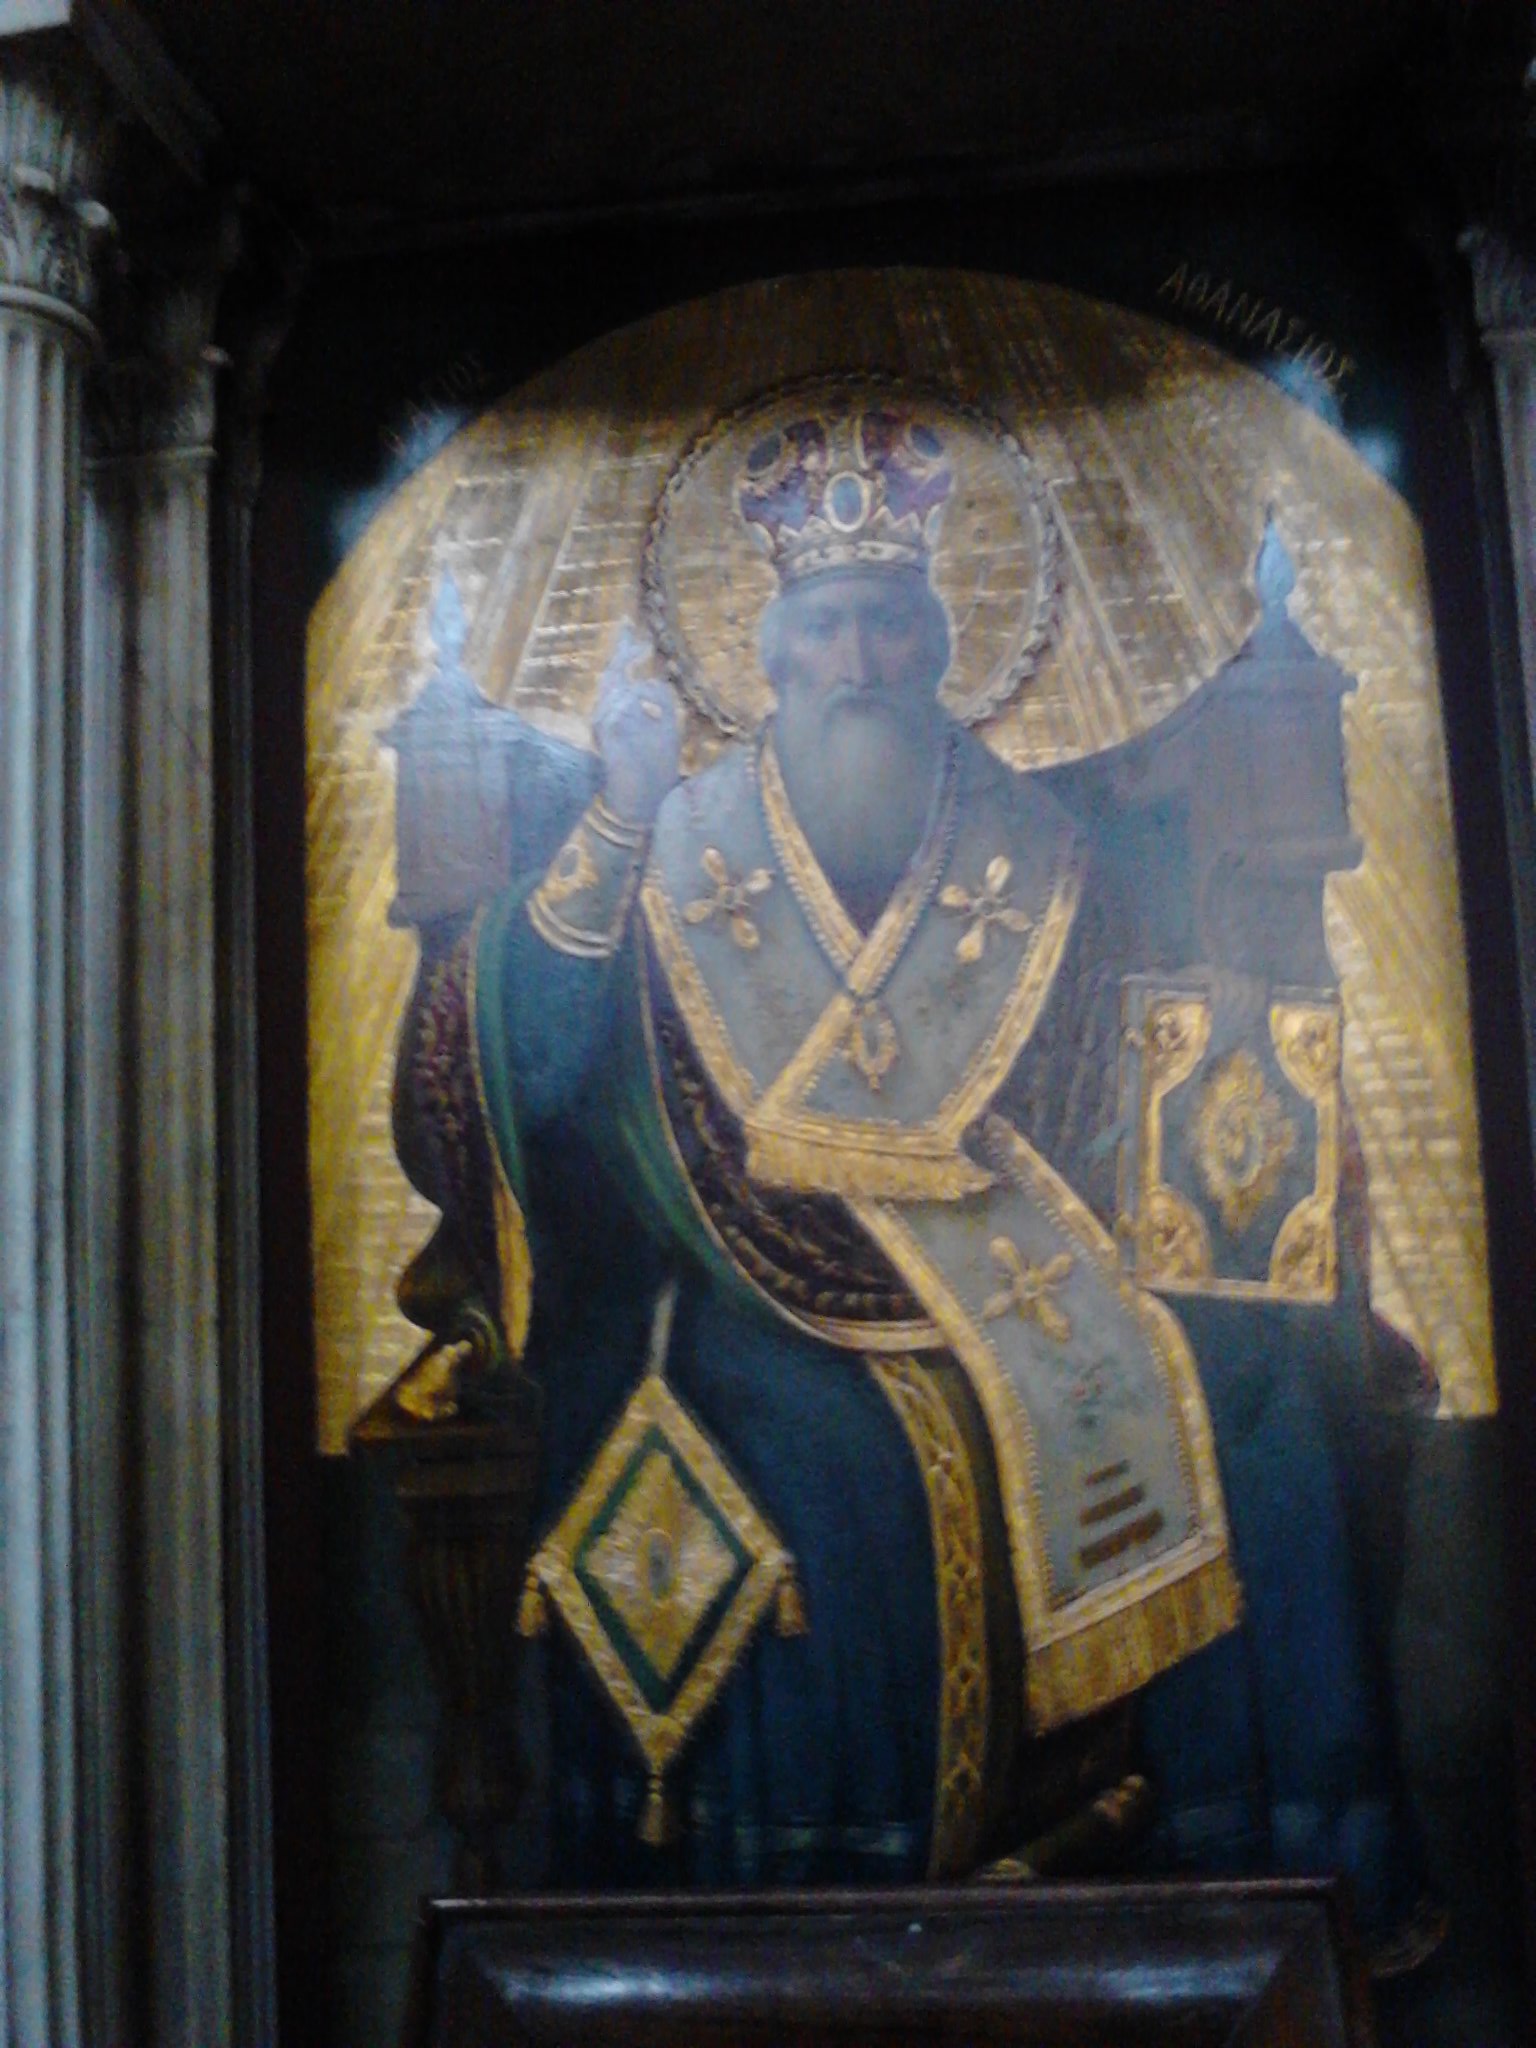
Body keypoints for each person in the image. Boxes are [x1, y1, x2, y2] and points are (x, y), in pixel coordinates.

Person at [389, 403, 1436, 1951]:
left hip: (1014, 1263)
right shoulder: (670, 841)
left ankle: (1230, 1878)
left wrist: (1227, 1088)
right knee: (835, 1465)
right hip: (743, 1291)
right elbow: (518, 1069)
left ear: (938, 647)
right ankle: (833, 1916)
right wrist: (615, 810)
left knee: (1264, 1399)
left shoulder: (1040, 849)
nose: (859, 663)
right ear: (774, 655)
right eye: (827, 628)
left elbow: (1113, 1077)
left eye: (888, 622)